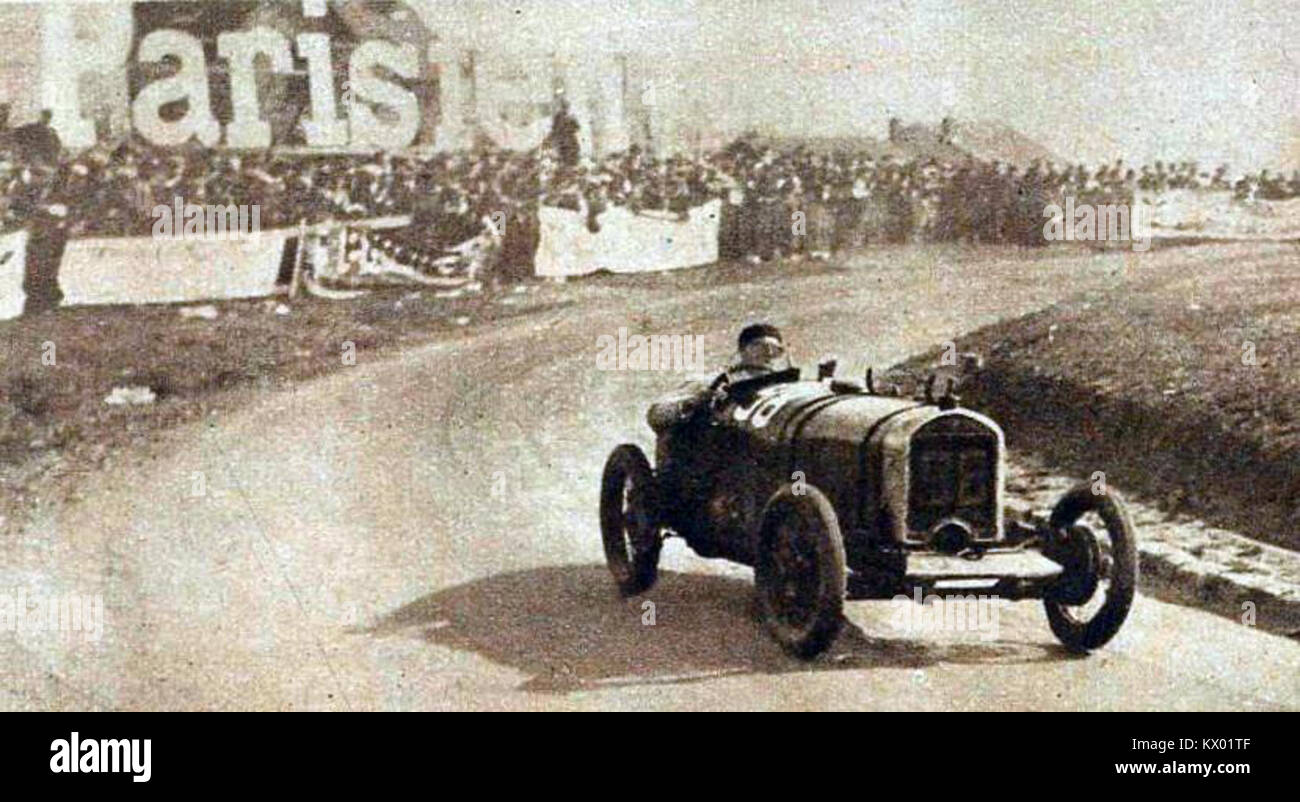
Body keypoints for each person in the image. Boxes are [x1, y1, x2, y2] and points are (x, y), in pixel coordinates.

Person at [647, 322, 789, 439]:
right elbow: (656, 415)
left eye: (776, 349)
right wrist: (694, 402)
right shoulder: (713, 381)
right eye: (760, 347)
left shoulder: (787, 387)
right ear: (742, 351)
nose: (769, 353)